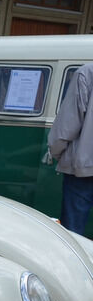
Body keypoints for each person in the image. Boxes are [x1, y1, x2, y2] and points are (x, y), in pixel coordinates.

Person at [49, 62, 93, 235]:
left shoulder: (86, 73)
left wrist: (55, 151)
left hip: (83, 168)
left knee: (73, 233)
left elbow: (67, 126)